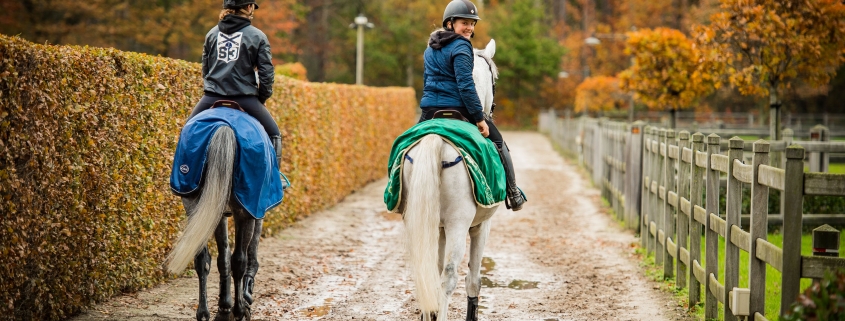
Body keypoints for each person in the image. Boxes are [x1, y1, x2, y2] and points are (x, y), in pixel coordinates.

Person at [419, 0, 526, 211]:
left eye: (472, 23)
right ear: (450, 24)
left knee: (406, 146)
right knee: (499, 143)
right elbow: (466, 86)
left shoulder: (429, 48)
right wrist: (479, 118)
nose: (469, 27)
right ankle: (513, 192)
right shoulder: (461, 46)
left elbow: (427, 82)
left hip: (430, 112)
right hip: (459, 110)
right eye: (464, 22)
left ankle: (398, 194)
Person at [187, 0, 283, 168]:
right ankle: (274, 179)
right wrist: (261, 98)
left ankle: (184, 177)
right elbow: (266, 76)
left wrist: (213, 89)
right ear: (248, 7)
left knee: (187, 130)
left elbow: (206, 70)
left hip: (212, 97)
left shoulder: (211, 34)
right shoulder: (258, 36)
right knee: (274, 133)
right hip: (245, 98)